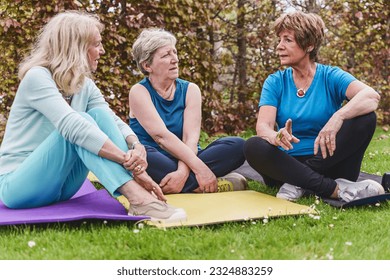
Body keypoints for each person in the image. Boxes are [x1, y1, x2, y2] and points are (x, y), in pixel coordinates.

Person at [0, 11, 186, 223]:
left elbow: (110, 118)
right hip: (18, 187)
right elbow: (72, 126)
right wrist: (127, 163)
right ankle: (137, 198)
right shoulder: (37, 77)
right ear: (76, 47)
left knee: (97, 114)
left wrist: (136, 146)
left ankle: (137, 193)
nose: (102, 50)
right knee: (81, 123)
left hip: (62, 188)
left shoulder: (84, 84)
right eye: (96, 44)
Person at [244, 11, 384, 202]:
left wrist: (339, 117)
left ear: (309, 45)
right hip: (288, 166)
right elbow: (263, 127)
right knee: (253, 145)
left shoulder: (330, 76)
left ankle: (299, 183)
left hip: (331, 163)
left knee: (366, 117)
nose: (279, 47)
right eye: (279, 40)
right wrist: (275, 137)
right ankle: (334, 189)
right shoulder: (275, 82)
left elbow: (371, 96)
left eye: (288, 40)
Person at [129, 28, 247, 194]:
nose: (175, 59)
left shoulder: (191, 89)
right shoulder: (139, 92)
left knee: (238, 145)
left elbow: (190, 139)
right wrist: (200, 169)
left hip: (187, 157)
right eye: (166, 55)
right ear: (147, 65)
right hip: (155, 158)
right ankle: (206, 184)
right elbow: (161, 137)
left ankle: (176, 185)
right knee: (141, 157)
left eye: (174, 52)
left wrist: (183, 172)